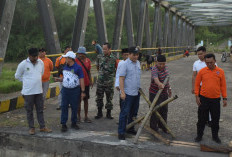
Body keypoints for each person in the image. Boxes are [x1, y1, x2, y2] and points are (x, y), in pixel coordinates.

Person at [15, 48, 52, 135]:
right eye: (33, 56)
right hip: (28, 92)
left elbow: (41, 73)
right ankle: (31, 128)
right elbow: (17, 76)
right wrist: (26, 81)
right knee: (29, 110)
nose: (35, 58)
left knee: (40, 110)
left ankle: (42, 127)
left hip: (38, 91)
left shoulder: (41, 63)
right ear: (29, 55)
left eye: (36, 56)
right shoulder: (23, 64)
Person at [194, 53, 227, 144]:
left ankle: (215, 136)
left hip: (215, 100)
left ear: (215, 61)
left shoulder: (220, 71)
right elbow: (197, 84)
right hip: (203, 99)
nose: (209, 64)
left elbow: (223, 86)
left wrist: (224, 98)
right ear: (205, 62)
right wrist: (197, 96)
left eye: (211, 62)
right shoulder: (202, 71)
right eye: (207, 62)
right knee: (201, 119)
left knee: (215, 120)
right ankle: (199, 135)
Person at [54, 51, 85, 132]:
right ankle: (63, 124)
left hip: (75, 91)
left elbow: (81, 79)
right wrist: (59, 79)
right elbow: (65, 78)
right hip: (65, 90)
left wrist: (83, 91)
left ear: (70, 59)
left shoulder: (78, 68)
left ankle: (73, 123)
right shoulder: (65, 67)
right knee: (64, 107)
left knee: (75, 107)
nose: (65, 59)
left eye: (66, 58)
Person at [118, 46, 141, 140]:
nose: (136, 57)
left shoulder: (138, 63)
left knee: (133, 113)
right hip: (127, 93)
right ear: (129, 54)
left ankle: (130, 128)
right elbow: (121, 78)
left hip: (136, 92)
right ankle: (121, 132)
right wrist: (122, 92)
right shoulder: (124, 64)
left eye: (137, 55)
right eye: (134, 55)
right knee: (124, 113)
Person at [149, 55, 171, 133]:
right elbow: (155, 79)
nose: (161, 65)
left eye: (163, 63)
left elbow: (167, 79)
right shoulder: (154, 69)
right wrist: (159, 84)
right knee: (155, 110)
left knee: (164, 110)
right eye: (160, 64)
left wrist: (169, 89)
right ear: (156, 62)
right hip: (155, 92)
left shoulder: (166, 68)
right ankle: (153, 127)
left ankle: (163, 126)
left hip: (164, 92)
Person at [95, 42, 117, 119]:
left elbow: (116, 69)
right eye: (103, 49)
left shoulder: (114, 58)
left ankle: (108, 113)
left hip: (109, 82)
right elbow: (97, 67)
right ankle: (99, 113)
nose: (103, 50)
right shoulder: (99, 57)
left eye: (105, 49)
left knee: (109, 98)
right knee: (99, 97)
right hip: (100, 82)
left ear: (109, 49)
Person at [192, 46, 213, 127]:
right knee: (200, 104)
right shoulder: (196, 63)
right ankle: (203, 119)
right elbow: (194, 76)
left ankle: (210, 120)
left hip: (209, 87)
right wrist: (193, 87)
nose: (199, 56)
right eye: (198, 54)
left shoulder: (211, 62)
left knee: (210, 104)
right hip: (200, 87)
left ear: (205, 53)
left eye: (201, 54)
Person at [75, 47, 93, 123]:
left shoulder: (88, 61)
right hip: (78, 84)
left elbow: (88, 71)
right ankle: (78, 117)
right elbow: (72, 71)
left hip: (86, 83)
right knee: (78, 100)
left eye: (81, 54)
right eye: (79, 53)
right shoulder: (75, 61)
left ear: (84, 54)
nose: (80, 55)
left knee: (86, 100)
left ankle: (86, 116)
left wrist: (90, 80)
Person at [55, 46, 71, 110]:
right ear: (64, 51)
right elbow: (57, 66)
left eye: (70, 50)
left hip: (69, 78)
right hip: (62, 77)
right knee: (61, 91)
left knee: (69, 91)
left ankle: (68, 104)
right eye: (67, 50)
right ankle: (60, 104)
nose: (68, 52)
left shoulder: (71, 58)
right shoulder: (60, 58)